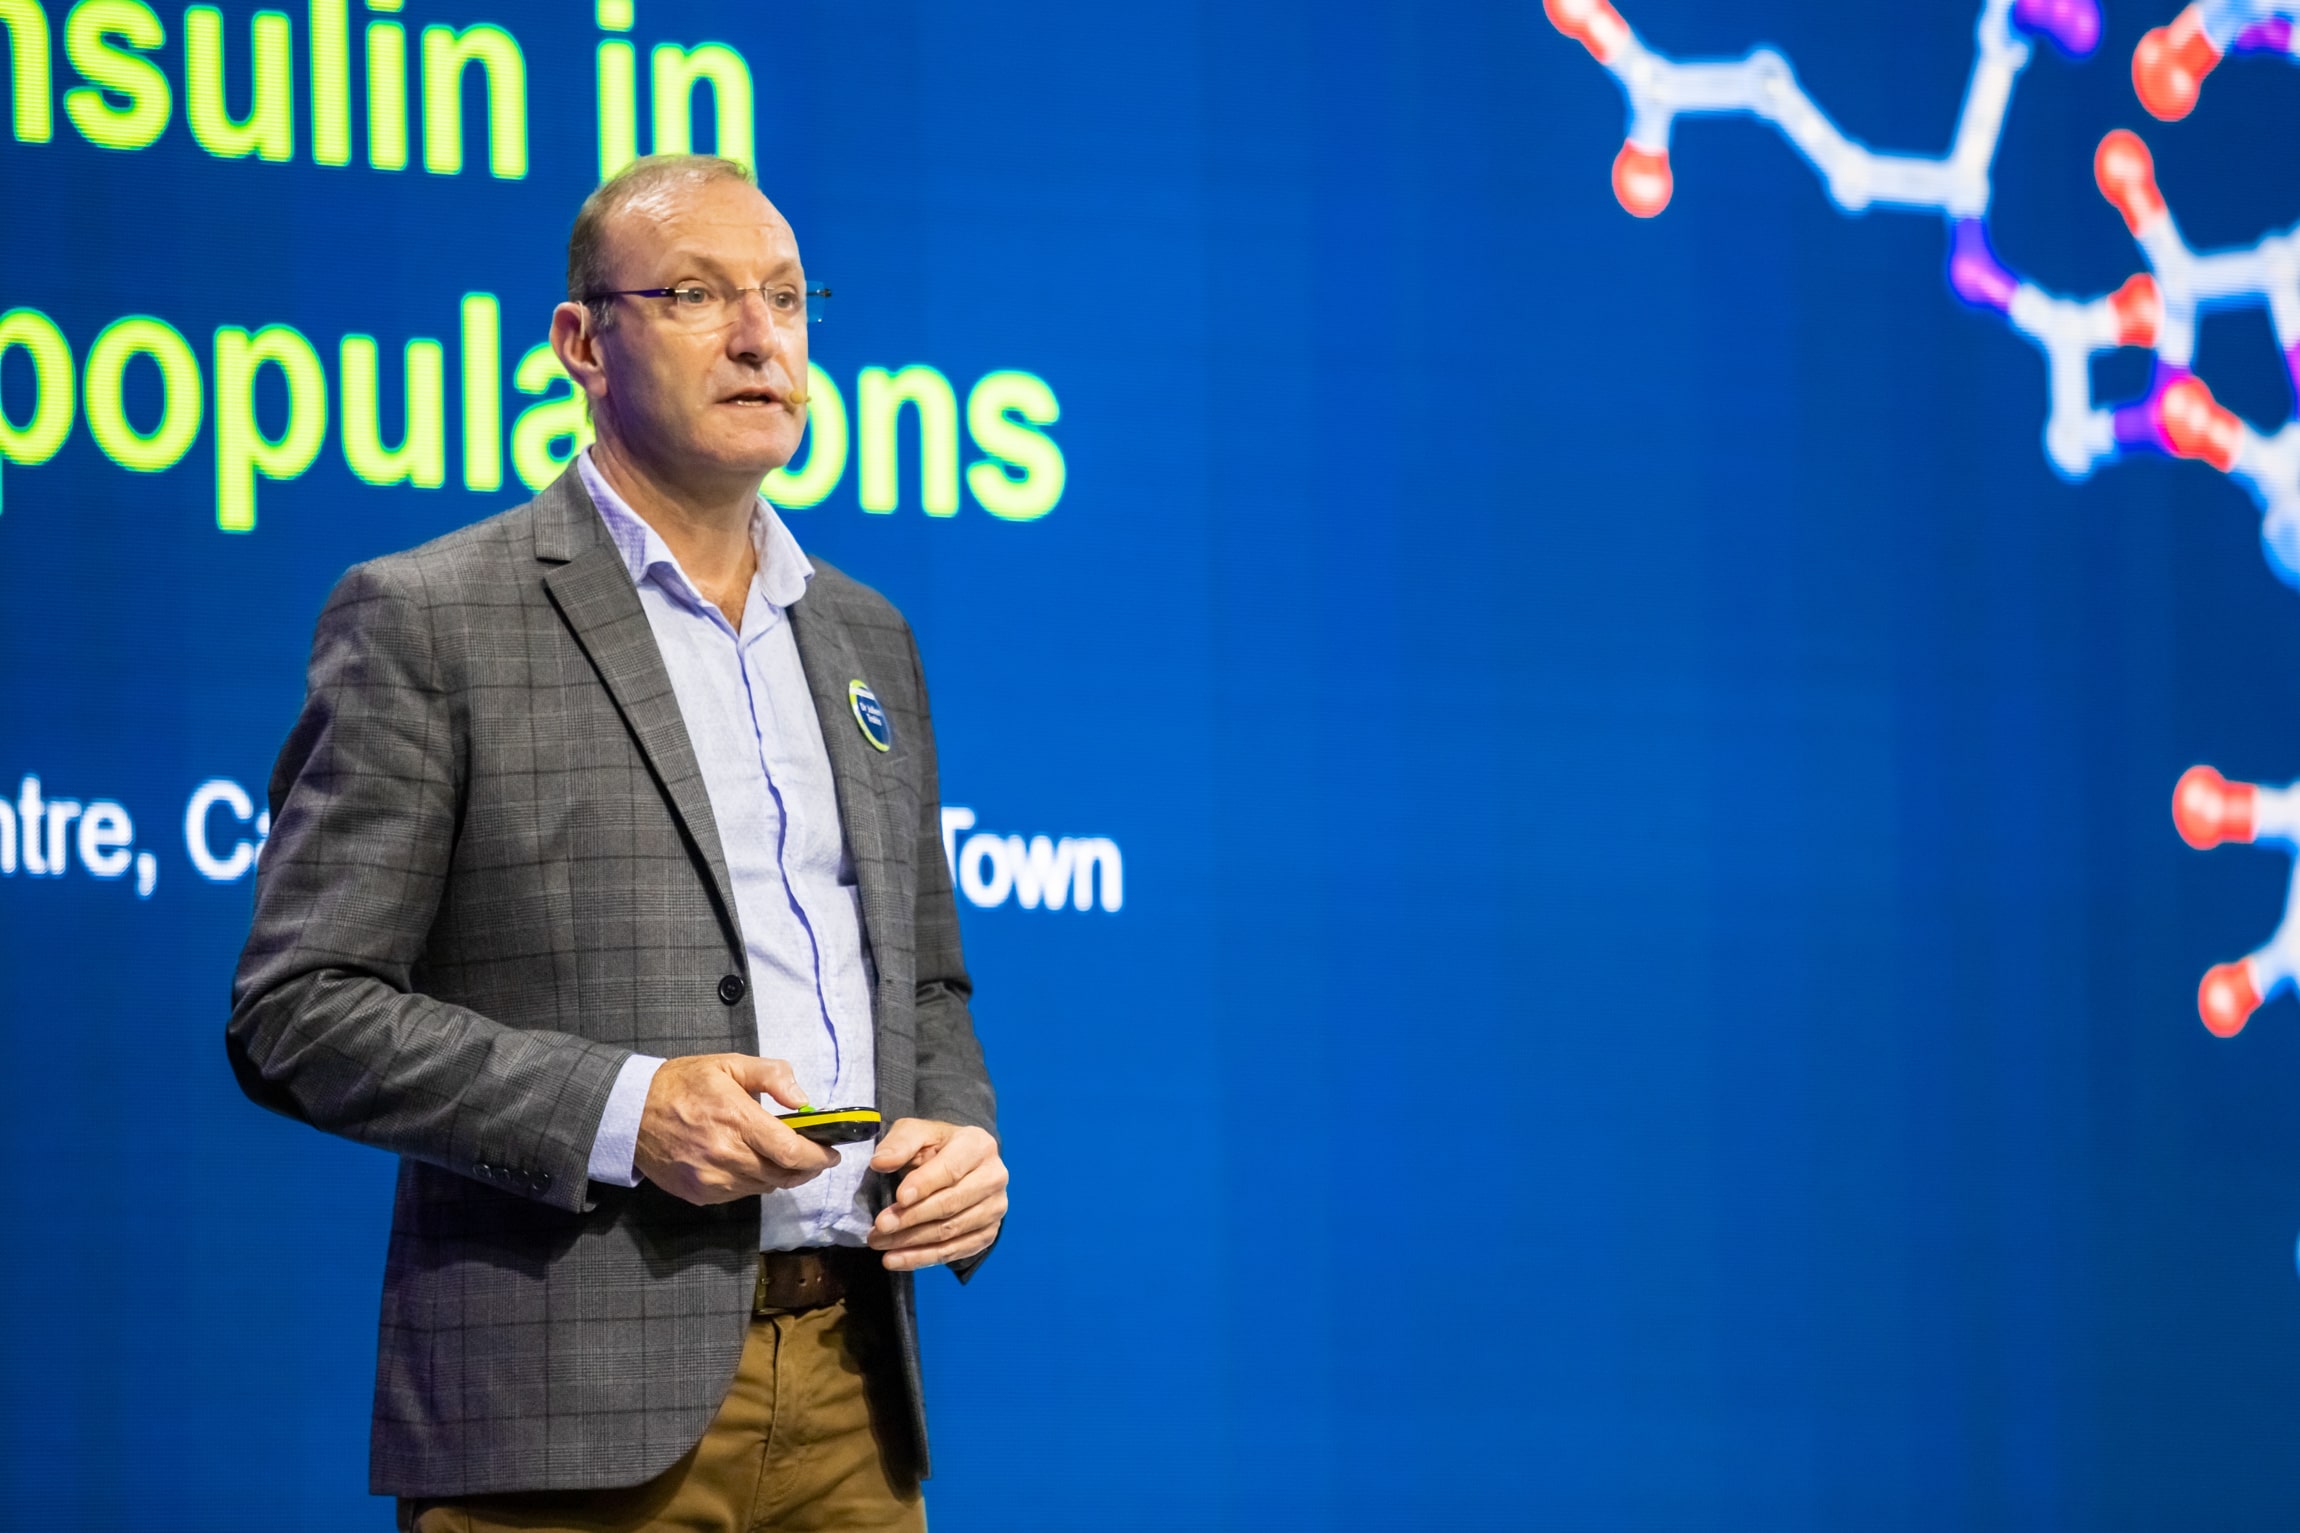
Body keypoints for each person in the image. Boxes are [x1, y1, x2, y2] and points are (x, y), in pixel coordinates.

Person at [227, 153, 1008, 1533]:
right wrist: (623, 1111)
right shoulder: (431, 618)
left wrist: (956, 1132)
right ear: (582, 343)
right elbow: (298, 1010)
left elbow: (926, 982)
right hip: (563, 1413)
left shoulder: (866, 634)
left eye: (784, 297)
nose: (761, 335)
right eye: (699, 294)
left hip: (850, 1393)